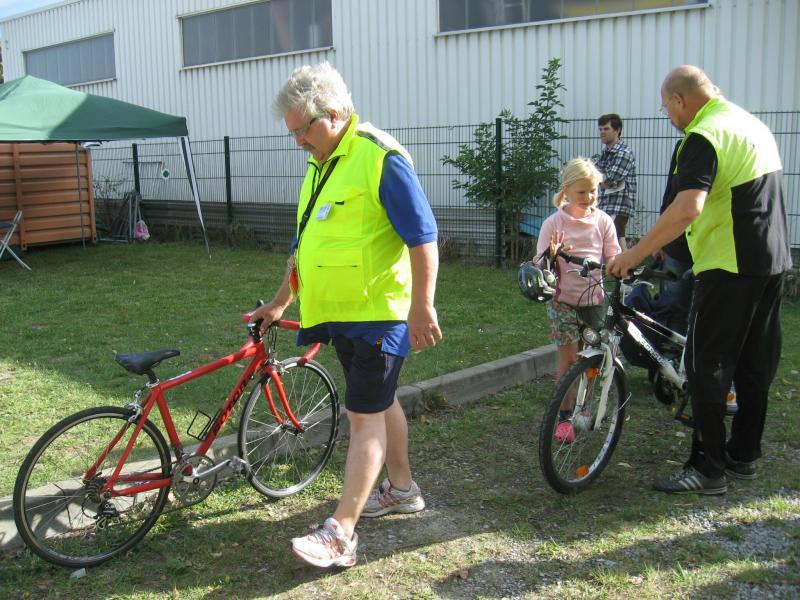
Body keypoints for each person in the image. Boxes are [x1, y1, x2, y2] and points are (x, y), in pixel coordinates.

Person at [249, 62, 442, 567]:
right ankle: (402, 490)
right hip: (342, 316)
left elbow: (423, 237)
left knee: (362, 415)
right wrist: (281, 300)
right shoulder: (321, 164)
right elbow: (306, 246)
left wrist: (422, 305)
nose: (297, 142)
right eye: (292, 132)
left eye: (302, 130)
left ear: (333, 114)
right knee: (380, 401)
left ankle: (341, 532)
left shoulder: (379, 157)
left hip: (380, 314)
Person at [607, 65, 791, 495]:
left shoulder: (703, 135)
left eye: (667, 108)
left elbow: (688, 206)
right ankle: (743, 455)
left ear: (679, 100)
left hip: (729, 263)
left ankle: (708, 468)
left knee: (706, 364)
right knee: (753, 362)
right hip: (772, 259)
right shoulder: (750, 125)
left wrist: (634, 253)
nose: (669, 117)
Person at [535, 158, 621, 443]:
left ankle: (583, 404)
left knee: (590, 358)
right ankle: (564, 417)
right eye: (582, 191)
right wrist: (551, 254)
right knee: (570, 359)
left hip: (593, 301)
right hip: (562, 301)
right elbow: (538, 264)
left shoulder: (603, 221)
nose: (589, 197)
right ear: (567, 190)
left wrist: (618, 265)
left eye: (593, 191)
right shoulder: (553, 223)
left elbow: (613, 254)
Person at [595, 113, 638, 251]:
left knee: (613, 242)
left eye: (606, 129)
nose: (602, 132)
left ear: (617, 130)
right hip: (607, 204)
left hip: (618, 205)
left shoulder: (623, 153)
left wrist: (598, 178)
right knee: (616, 241)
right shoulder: (606, 152)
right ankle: (625, 264)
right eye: (600, 129)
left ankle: (625, 264)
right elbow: (594, 174)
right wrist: (598, 178)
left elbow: (610, 180)